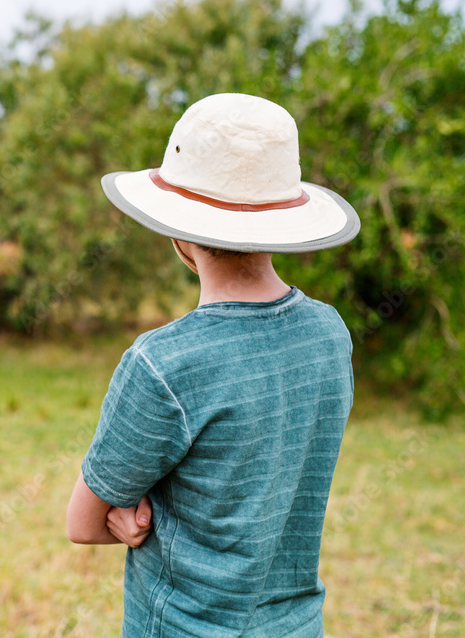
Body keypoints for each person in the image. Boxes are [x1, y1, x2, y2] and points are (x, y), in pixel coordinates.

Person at [66, 93, 360, 637]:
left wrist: (125, 518)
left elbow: (82, 523)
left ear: (178, 231)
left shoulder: (163, 363)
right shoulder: (330, 334)